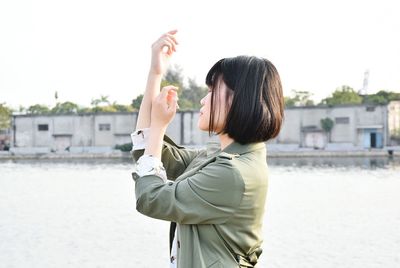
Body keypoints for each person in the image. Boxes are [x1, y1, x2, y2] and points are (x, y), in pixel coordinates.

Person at [130, 30, 284, 268]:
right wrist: (155, 74)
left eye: (213, 91)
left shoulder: (232, 173)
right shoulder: (223, 153)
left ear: (239, 100)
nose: (204, 99)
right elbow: (149, 153)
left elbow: (151, 198)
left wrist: (160, 126)